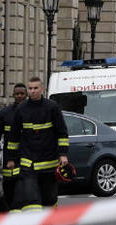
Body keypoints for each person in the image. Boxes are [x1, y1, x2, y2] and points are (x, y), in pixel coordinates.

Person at [4, 77, 69, 213]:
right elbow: (13, 136)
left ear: (42, 89)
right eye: (30, 88)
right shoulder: (21, 109)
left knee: (49, 197)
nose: (32, 91)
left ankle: (47, 220)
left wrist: (63, 154)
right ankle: (31, 222)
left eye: (35, 88)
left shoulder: (52, 107)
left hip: (49, 162)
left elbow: (62, 133)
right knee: (30, 195)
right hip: (28, 162)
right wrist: (11, 159)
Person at [0, 83, 26, 211]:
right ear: (13, 95)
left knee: (27, 188)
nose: (19, 96)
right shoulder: (5, 113)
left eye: (22, 94)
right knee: (9, 188)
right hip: (10, 159)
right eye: (17, 94)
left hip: (29, 156)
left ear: (26, 95)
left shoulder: (33, 112)